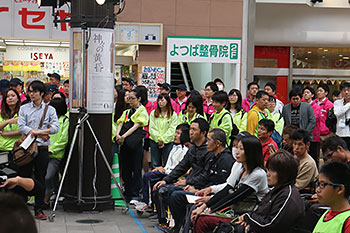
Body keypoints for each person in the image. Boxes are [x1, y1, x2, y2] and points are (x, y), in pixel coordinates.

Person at [191, 135, 268, 233]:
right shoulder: (240, 167)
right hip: (234, 210)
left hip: (246, 215)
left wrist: (210, 210)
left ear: (251, 152)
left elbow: (235, 196)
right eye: (236, 148)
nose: (237, 152)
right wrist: (204, 206)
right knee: (196, 209)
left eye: (241, 149)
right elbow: (226, 190)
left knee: (203, 220)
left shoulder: (258, 174)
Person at [167, 128, 235, 232]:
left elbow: (223, 186)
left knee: (180, 197)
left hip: (215, 196)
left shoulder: (226, 160)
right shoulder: (213, 156)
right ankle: (178, 226)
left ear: (217, 143)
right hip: (204, 190)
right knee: (174, 193)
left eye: (208, 140)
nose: (206, 143)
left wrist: (205, 194)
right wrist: (195, 188)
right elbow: (206, 177)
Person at [152, 118, 211, 229]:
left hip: (201, 186)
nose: (191, 132)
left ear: (203, 133)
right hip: (190, 182)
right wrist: (166, 180)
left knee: (173, 194)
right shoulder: (193, 148)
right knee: (161, 188)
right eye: (190, 129)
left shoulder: (208, 149)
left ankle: (179, 226)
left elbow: (206, 174)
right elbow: (181, 166)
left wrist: (187, 181)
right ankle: (170, 222)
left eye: (194, 129)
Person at [233, 150, 305, 233]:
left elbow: (270, 225)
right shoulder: (276, 190)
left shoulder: (287, 195)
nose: (268, 174)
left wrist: (248, 218)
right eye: (267, 170)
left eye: (272, 171)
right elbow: (259, 213)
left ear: (284, 173)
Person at [17, 80, 60, 220]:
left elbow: (55, 128)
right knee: (24, 176)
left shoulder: (50, 109)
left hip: (42, 148)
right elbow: (21, 126)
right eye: (30, 91)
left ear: (42, 93)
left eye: (35, 91)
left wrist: (38, 132)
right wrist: (39, 132)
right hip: (27, 148)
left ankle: (39, 207)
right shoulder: (24, 108)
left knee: (41, 177)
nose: (32, 94)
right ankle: (22, 207)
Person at [136, 123, 191, 211]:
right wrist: (162, 168)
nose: (175, 135)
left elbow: (179, 169)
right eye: (175, 133)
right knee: (149, 174)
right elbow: (169, 165)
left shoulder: (185, 150)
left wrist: (164, 171)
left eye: (178, 133)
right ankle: (147, 202)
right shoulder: (174, 147)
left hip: (174, 176)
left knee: (151, 179)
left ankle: (149, 204)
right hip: (168, 172)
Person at [115, 88, 149, 203]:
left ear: (139, 99)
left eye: (132, 98)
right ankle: (127, 192)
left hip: (136, 144)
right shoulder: (127, 112)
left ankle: (135, 194)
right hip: (125, 144)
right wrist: (117, 134)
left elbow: (136, 126)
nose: (130, 100)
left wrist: (123, 136)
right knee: (126, 168)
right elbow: (120, 123)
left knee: (136, 168)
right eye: (129, 98)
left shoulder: (142, 111)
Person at [313, 161, 350, 233]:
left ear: (340, 189)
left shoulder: (347, 222)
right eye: (318, 184)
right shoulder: (327, 213)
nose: (317, 190)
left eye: (323, 185)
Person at [44, 98, 69, 203]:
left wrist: (52, 149)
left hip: (56, 155)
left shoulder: (65, 120)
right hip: (44, 151)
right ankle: (53, 193)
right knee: (49, 176)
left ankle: (50, 192)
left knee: (48, 176)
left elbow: (64, 140)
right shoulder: (47, 119)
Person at [149, 93, 178, 168]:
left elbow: (172, 129)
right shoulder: (153, 113)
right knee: (155, 164)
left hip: (168, 142)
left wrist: (163, 140)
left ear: (167, 101)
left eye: (162, 100)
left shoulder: (173, 114)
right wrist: (158, 139)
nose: (160, 102)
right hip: (154, 141)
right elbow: (152, 128)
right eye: (158, 100)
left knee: (167, 163)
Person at [303, 86, 321, 167]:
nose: (305, 94)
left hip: (314, 135)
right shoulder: (302, 105)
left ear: (312, 95)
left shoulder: (316, 106)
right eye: (304, 93)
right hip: (303, 135)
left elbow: (314, 118)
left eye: (308, 92)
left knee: (314, 156)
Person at [0, 88, 22, 156]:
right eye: (8, 96)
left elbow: (22, 130)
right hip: (2, 147)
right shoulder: (1, 113)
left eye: (13, 96)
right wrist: (8, 122)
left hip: (16, 148)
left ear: (18, 98)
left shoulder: (22, 113)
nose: (10, 98)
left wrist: (5, 134)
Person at [334, 82, 350, 150]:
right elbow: (337, 113)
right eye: (344, 90)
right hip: (341, 133)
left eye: (348, 90)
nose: (346, 92)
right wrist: (349, 104)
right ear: (341, 92)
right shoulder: (337, 102)